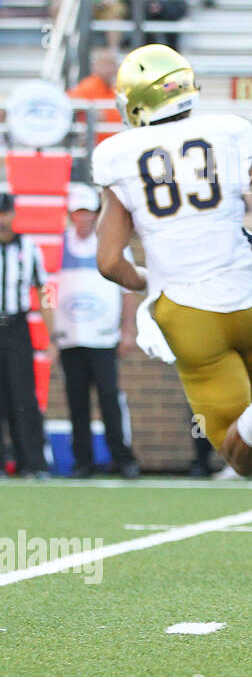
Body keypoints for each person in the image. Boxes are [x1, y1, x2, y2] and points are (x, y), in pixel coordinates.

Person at [94, 44, 252, 565]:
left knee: (238, 452)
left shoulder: (119, 154)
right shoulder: (228, 134)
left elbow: (108, 261)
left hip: (187, 311)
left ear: (135, 102)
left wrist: (147, 280)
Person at [54, 185, 139, 479]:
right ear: (71, 215)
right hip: (70, 337)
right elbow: (46, 290)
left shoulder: (112, 243)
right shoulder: (58, 245)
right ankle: (83, 462)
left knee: (108, 399)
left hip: (103, 337)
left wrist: (128, 328)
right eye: (78, 212)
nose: (83, 218)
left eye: (88, 212)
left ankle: (122, 458)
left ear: (96, 214)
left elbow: (128, 290)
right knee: (76, 401)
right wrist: (52, 327)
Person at [0, 191, 56, 478]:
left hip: (16, 326)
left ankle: (33, 463)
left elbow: (44, 292)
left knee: (24, 396)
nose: (2, 219)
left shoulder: (28, 248)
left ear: (13, 214)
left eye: (5, 212)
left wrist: (53, 335)